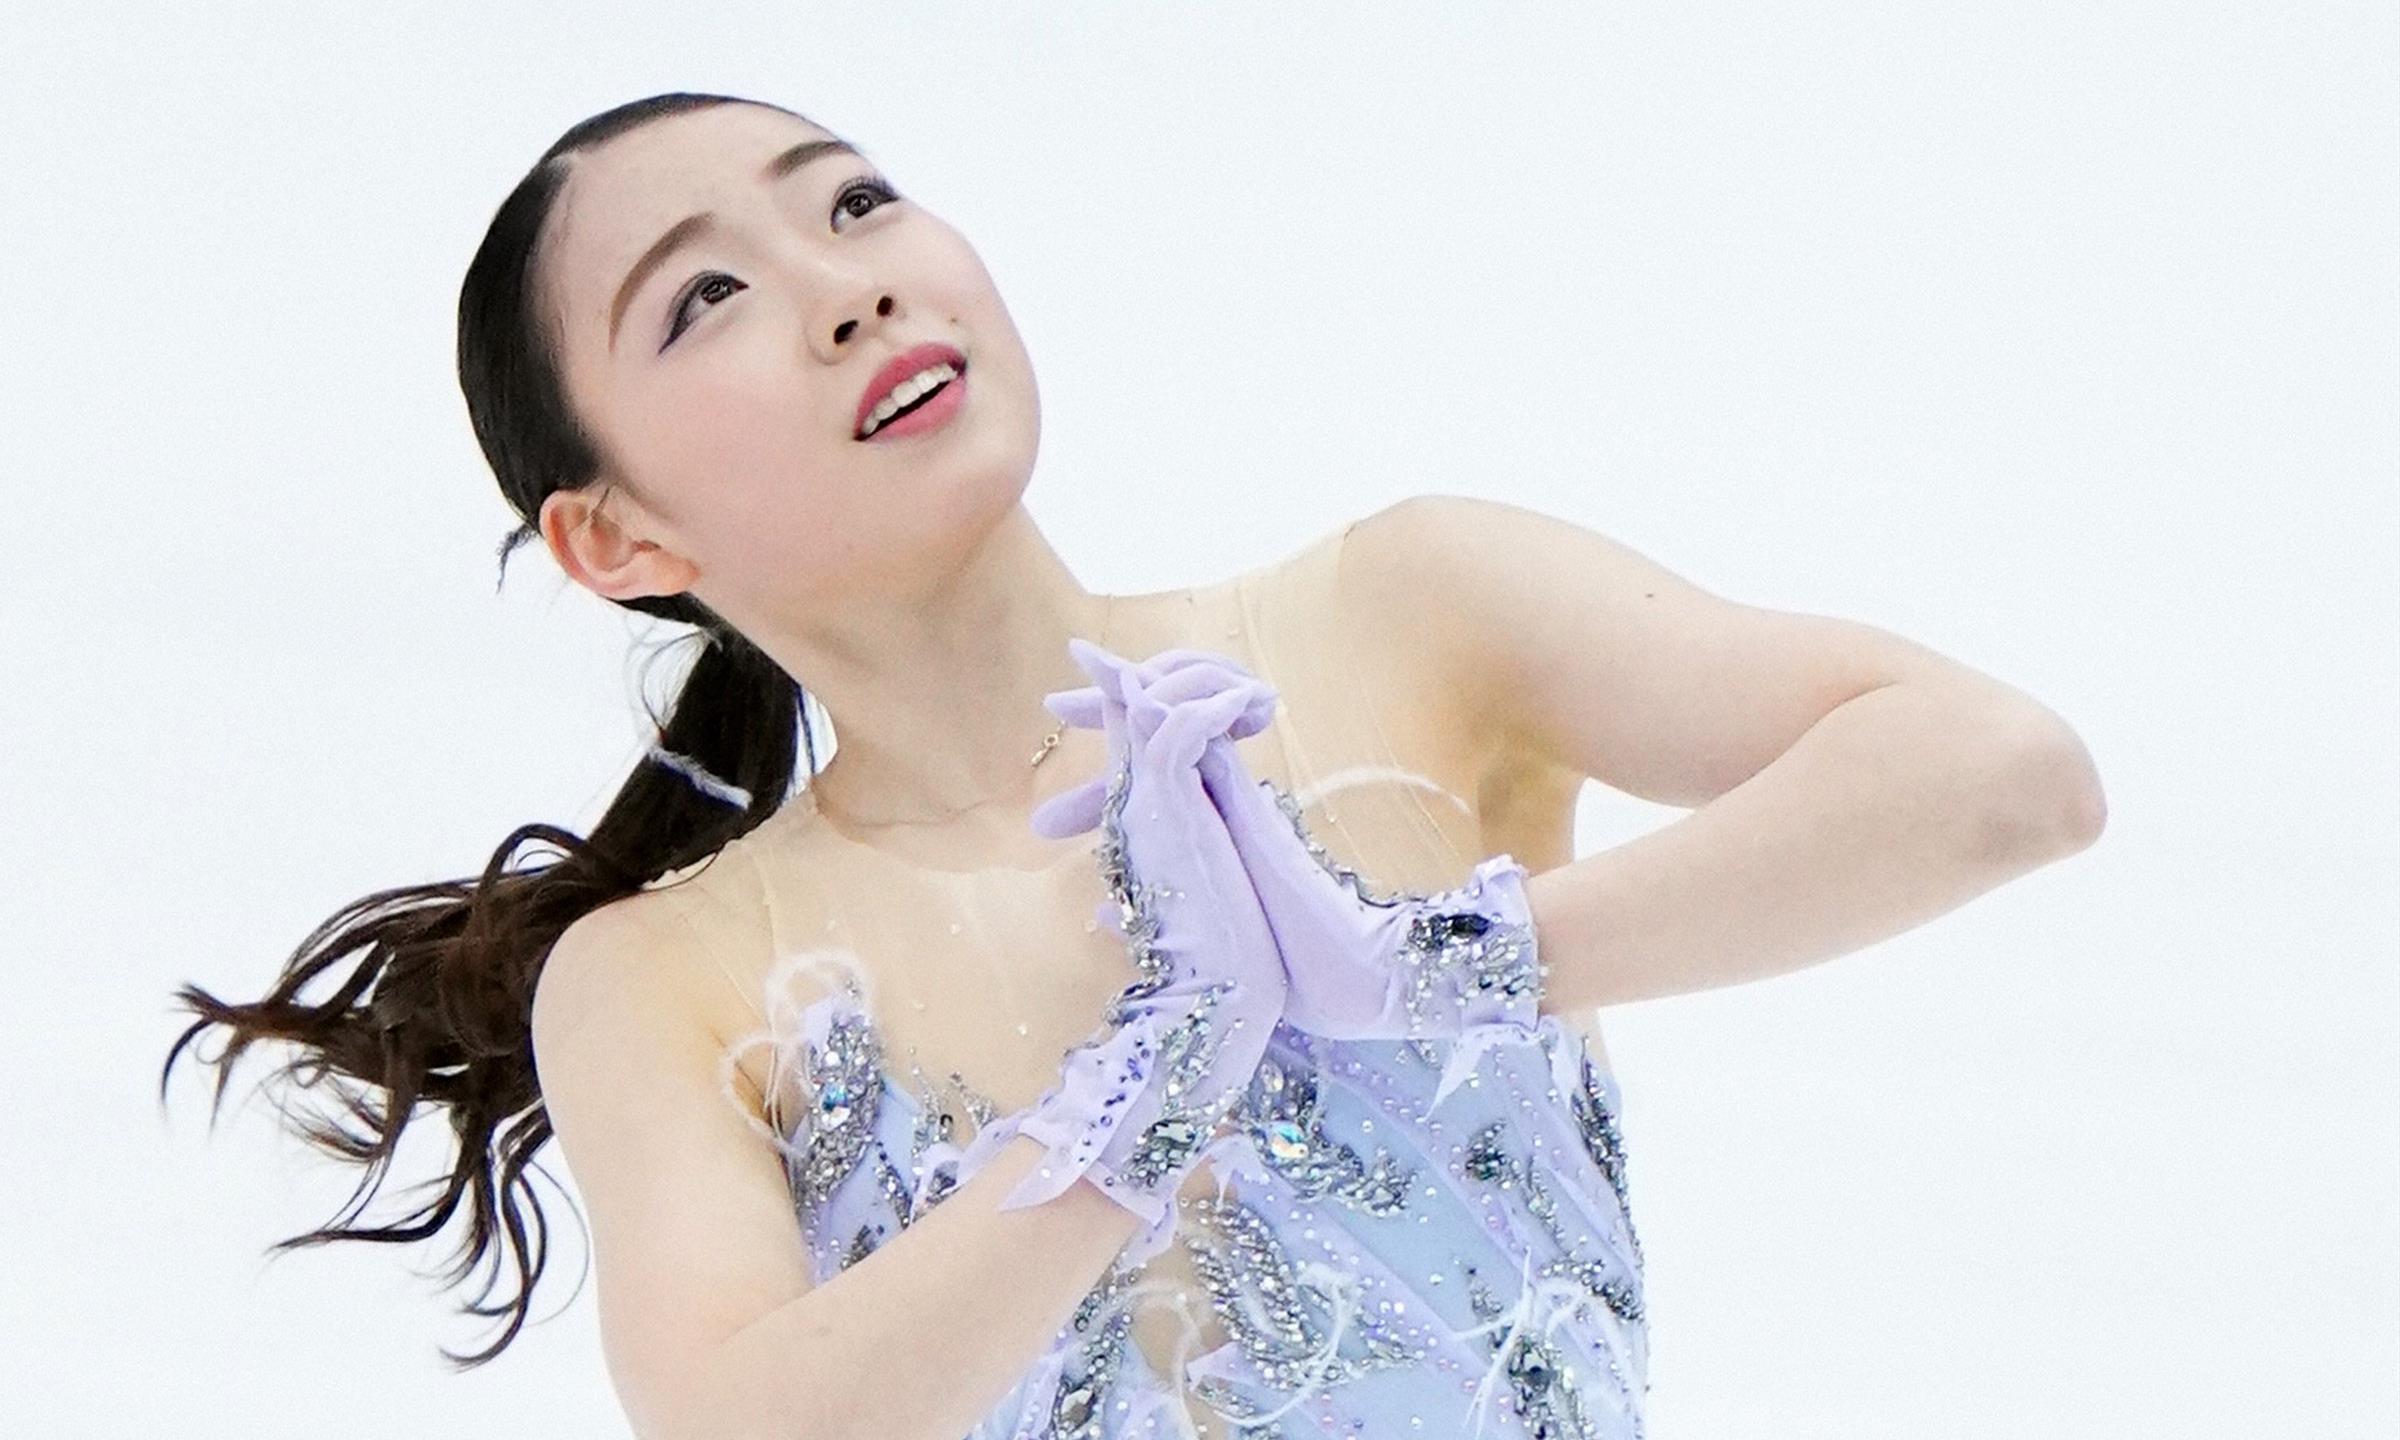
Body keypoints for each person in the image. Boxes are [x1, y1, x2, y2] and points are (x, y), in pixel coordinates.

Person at [162, 91, 2107, 1440]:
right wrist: (1146, 1090)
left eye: (854, 202)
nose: (847, 286)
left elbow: (2002, 776)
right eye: (707, 296)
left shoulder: (1406, 616)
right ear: (615, 539)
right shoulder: (673, 976)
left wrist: (1424, 964)